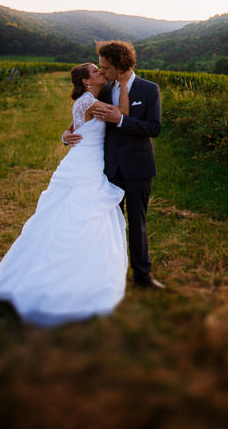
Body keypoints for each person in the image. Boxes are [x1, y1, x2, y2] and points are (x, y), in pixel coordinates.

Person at [0, 62, 128, 326]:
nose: (101, 72)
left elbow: (75, 128)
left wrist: (66, 135)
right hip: (86, 165)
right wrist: (123, 85)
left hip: (83, 161)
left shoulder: (86, 100)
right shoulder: (91, 103)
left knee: (67, 214)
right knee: (82, 215)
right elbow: (121, 114)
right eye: (96, 71)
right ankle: (72, 280)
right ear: (87, 81)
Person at [63, 40, 164, 289]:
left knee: (137, 222)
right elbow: (82, 119)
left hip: (139, 166)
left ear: (120, 66)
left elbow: (154, 128)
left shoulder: (149, 90)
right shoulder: (105, 89)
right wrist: (66, 135)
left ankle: (143, 275)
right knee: (108, 222)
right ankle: (108, 271)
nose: (102, 72)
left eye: (106, 67)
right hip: (109, 167)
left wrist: (121, 120)